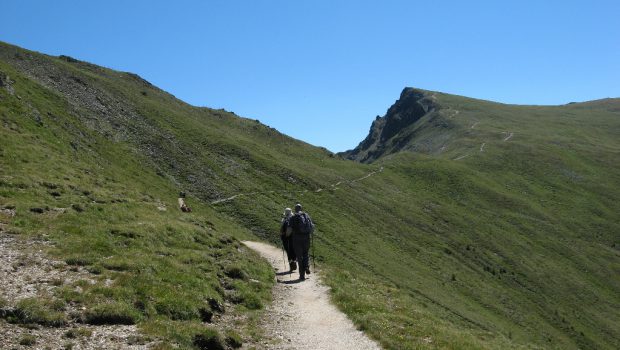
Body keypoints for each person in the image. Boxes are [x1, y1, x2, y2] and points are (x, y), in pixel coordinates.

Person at [289, 203, 314, 280]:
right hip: (306, 238)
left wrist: (286, 236)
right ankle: (306, 266)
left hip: (297, 239)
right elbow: (312, 227)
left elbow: (289, 230)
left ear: (295, 209)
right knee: (305, 253)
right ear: (301, 209)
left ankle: (302, 275)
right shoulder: (306, 216)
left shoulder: (293, 217)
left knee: (299, 257)